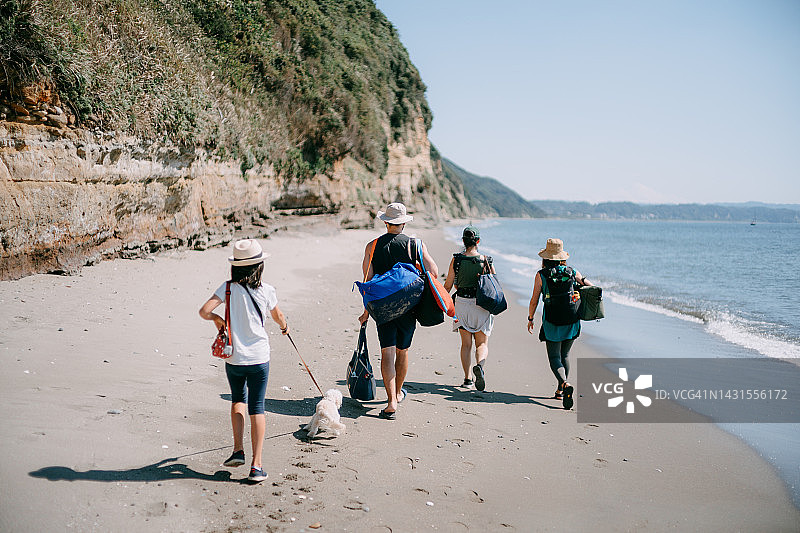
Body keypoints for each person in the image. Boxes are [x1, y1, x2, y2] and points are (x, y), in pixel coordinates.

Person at [199, 239, 289, 482]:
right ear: (259, 266)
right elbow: (278, 316)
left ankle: (238, 450)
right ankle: (256, 465)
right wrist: (284, 327)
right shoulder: (267, 290)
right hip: (259, 357)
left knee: (238, 400)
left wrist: (218, 320)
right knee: (257, 407)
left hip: (235, 358)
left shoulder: (227, 288)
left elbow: (204, 311)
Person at [358, 202, 439, 420]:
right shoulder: (416, 245)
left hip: (383, 307)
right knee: (402, 351)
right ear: (403, 223)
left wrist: (366, 311)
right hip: (408, 307)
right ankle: (397, 393)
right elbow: (434, 271)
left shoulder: (372, 246)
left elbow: (368, 282)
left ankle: (391, 400)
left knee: (387, 351)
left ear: (385, 222)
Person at [526, 238, 591, 410]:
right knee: (565, 356)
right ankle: (560, 391)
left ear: (546, 257)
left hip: (552, 321)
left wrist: (530, 318)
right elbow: (590, 287)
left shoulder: (541, 275)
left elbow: (534, 300)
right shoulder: (571, 271)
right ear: (562, 257)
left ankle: (564, 384)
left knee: (555, 358)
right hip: (572, 319)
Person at [443, 225, 495, 391]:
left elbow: (448, 285)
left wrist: (441, 302)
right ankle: (480, 366)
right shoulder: (486, 260)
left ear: (463, 241)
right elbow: (493, 285)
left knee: (466, 344)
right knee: (482, 344)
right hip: (481, 305)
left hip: (461, 305)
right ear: (478, 241)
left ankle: (467, 379)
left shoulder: (457, 259)